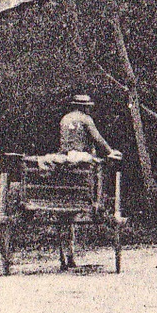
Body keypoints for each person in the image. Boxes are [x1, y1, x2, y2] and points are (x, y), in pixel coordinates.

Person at [53, 94, 120, 270]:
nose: (89, 109)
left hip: (65, 158)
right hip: (81, 159)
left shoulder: (65, 118)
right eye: (88, 106)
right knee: (97, 168)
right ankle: (96, 201)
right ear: (84, 107)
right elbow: (97, 138)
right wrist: (110, 151)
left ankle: (65, 256)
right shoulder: (85, 119)